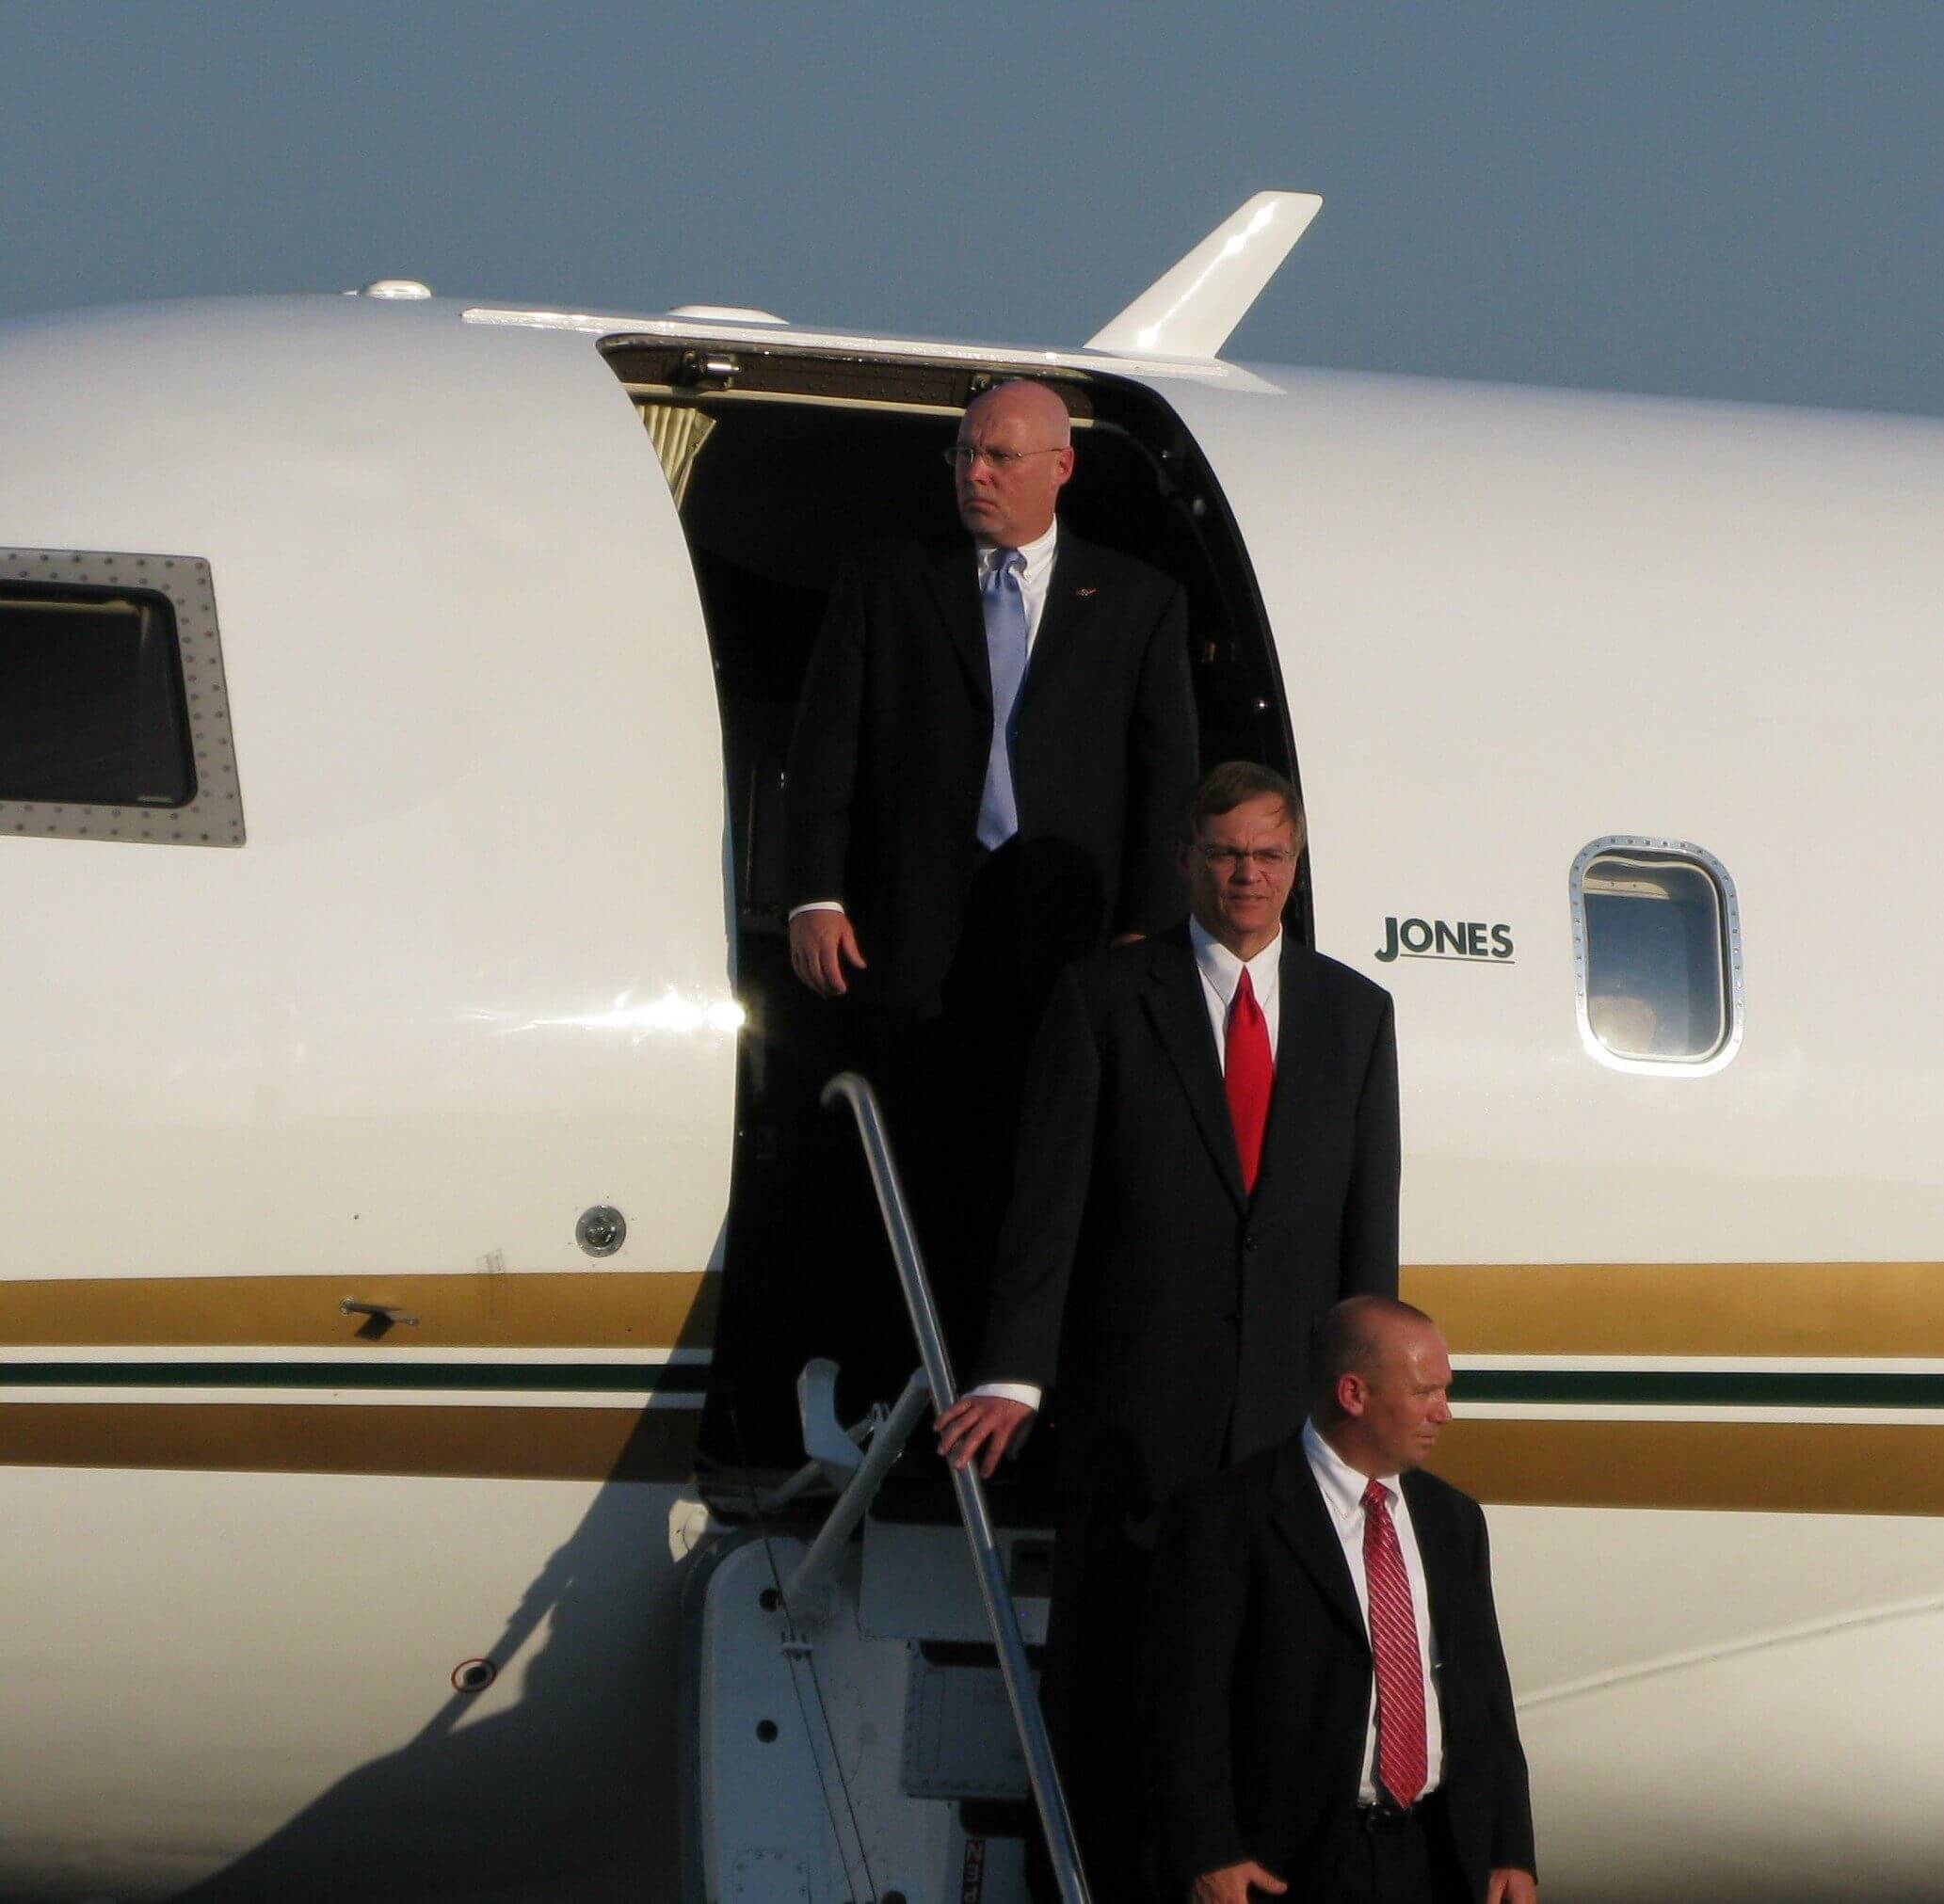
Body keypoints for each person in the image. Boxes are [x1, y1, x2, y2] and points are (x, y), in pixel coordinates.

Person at [938, 759, 1401, 1899]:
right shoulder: (1103, 999)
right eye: (1227, 852)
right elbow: (1048, 1204)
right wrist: (1015, 1372)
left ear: (1295, 865)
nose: (1248, 875)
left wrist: (1370, 1404)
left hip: (1287, 1424)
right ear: (1186, 859)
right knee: (1110, 1696)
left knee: (1275, 1697)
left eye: (1269, 854)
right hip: (1134, 1421)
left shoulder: (1356, 1014)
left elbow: (1367, 1230)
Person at [781, 376, 1198, 1372]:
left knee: (1040, 1171)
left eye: (999, 456)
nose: (976, 473)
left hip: (1065, 942)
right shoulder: (890, 579)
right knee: (909, 1166)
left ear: (1061, 466)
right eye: (964, 453)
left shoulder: (1138, 601)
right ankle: (886, 1387)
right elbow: (826, 746)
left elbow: (1165, 779)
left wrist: (1145, 930)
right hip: (909, 931)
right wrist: (814, 892)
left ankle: (1018, 1388)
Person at [1146, 1297, 1537, 1904]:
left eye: (1444, 1391)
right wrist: (1208, 1850)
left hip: (1432, 1856)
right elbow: (1187, 1702)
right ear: (1353, 1394)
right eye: (1424, 1392)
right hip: (1293, 1865)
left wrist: (1511, 1847)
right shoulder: (1228, 1516)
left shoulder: (1453, 1519)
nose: (1444, 1413)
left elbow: (1485, 1692)